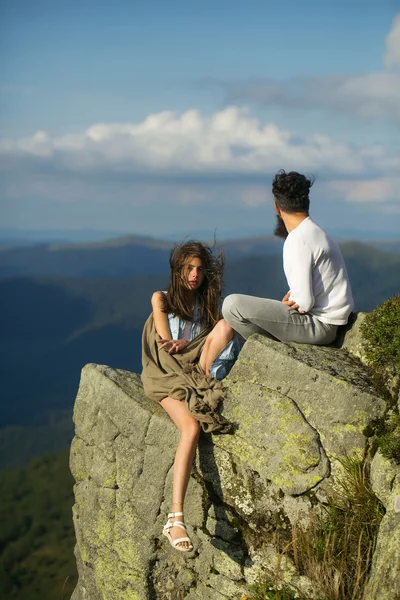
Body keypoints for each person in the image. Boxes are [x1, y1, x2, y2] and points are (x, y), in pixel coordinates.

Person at [141, 241, 240, 552]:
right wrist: (178, 345)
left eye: (199, 269)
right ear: (178, 270)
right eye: (188, 268)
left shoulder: (206, 303)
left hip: (195, 365)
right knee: (191, 428)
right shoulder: (162, 298)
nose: (194, 275)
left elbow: (216, 336)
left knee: (227, 324)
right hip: (166, 372)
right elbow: (164, 341)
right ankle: (175, 518)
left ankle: (203, 378)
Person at [222, 170, 354, 345]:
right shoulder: (317, 232)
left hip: (319, 327)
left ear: (277, 207)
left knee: (232, 305)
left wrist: (290, 303)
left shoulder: (298, 239)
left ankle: (266, 352)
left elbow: (304, 303)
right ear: (307, 203)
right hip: (333, 323)